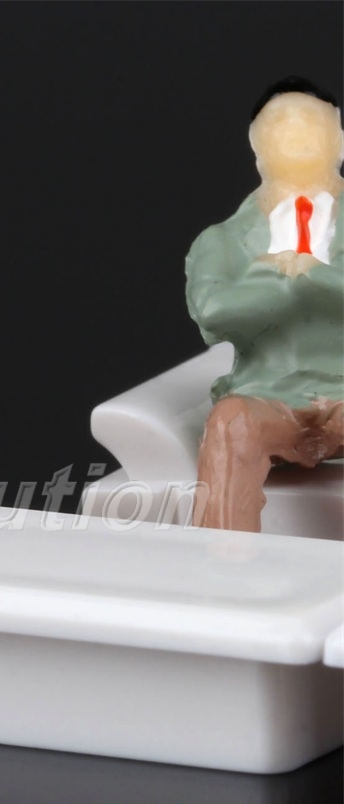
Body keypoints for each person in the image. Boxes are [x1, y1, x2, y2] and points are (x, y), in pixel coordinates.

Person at [186, 77, 343, 532]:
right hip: (268, 395)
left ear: (339, 140)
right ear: (257, 147)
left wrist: (315, 275)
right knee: (231, 423)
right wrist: (278, 284)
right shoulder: (223, 241)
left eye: (312, 124)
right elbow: (212, 313)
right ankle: (224, 564)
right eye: (281, 126)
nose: (297, 133)